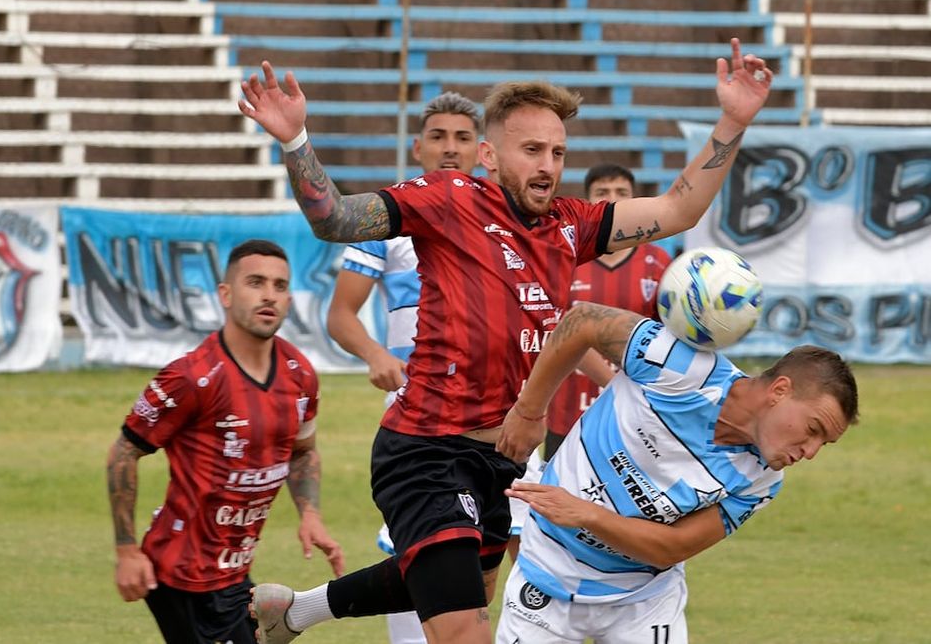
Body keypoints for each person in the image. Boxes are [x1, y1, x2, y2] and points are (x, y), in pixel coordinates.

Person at [238, 37, 774, 644]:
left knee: (473, 586)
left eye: (558, 152)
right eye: (532, 150)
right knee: (465, 628)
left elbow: (678, 210)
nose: (548, 165)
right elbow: (333, 218)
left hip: (503, 459)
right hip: (426, 449)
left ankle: (296, 612)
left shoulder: (571, 225)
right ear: (489, 155)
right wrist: (294, 139)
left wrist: (732, 120)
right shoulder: (448, 199)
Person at [496, 302, 859, 643]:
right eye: (813, 430)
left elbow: (671, 548)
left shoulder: (760, 479)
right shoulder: (679, 366)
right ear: (780, 390)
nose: (810, 452)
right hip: (547, 579)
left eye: (823, 444)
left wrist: (587, 515)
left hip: (644, 603)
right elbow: (583, 320)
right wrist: (529, 413)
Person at [106, 239, 344, 644]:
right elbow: (124, 453)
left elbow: (302, 453)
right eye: (255, 282)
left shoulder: (299, 374)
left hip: (233, 575)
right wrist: (128, 551)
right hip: (181, 575)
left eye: (280, 285)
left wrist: (310, 513)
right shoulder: (190, 377)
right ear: (226, 294)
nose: (269, 294)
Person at [326, 91, 480, 644]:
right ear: (417, 147)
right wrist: (376, 354)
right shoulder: (392, 217)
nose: (449, 148)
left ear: (482, 150)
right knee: (417, 546)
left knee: (500, 545)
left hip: (497, 419)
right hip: (422, 422)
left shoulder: (506, 220)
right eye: (437, 136)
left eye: (462, 138)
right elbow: (340, 314)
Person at [542, 163, 673, 460]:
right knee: (556, 502)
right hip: (567, 414)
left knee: (624, 504)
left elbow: (669, 341)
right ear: (587, 202)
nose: (613, 199)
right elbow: (551, 328)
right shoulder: (564, 259)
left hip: (635, 417)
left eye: (621, 192)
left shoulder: (658, 262)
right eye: (602, 192)